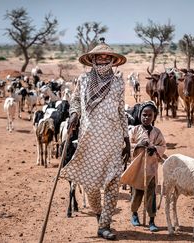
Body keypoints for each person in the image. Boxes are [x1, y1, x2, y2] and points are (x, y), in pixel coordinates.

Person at [60, 38, 130, 240]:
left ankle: (105, 225)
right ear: (92, 59)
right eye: (98, 57)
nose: (102, 59)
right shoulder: (83, 81)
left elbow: (121, 112)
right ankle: (99, 214)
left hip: (113, 141)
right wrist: (74, 114)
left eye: (106, 57)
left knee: (112, 184)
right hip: (89, 141)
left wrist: (126, 140)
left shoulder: (118, 83)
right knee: (90, 186)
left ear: (112, 60)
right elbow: (75, 101)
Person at [120, 101, 166, 232]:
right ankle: (134, 214)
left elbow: (163, 146)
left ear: (154, 117)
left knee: (151, 194)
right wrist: (139, 145)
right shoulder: (134, 130)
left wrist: (154, 149)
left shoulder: (157, 132)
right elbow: (127, 147)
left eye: (149, 115)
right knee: (136, 193)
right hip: (137, 169)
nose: (146, 117)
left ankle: (151, 220)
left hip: (151, 169)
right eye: (144, 115)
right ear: (140, 115)